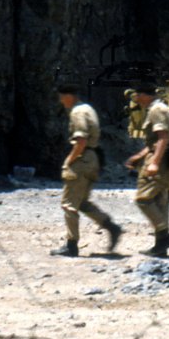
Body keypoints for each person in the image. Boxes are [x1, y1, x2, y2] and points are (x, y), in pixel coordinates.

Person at [52, 84, 123, 257]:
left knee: (69, 204)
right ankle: (111, 227)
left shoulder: (77, 112)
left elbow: (81, 140)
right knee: (82, 203)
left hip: (82, 160)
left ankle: (71, 245)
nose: (61, 101)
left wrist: (69, 160)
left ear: (69, 95)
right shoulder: (88, 108)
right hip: (93, 159)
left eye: (62, 97)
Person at [126, 83, 169, 256]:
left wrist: (154, 163)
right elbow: (154, 140)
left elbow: (163, 138)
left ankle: (163, 235)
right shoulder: (157, 108)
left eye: (136, 96)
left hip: (159, 160)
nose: (136, 100)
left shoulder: (156, 110)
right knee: (160, 201)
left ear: (144, 94)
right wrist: (139, 156)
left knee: (143, 199)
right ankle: (160, 247)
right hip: (158, 156)